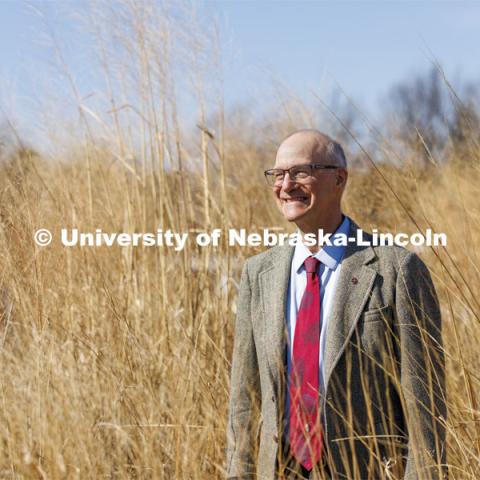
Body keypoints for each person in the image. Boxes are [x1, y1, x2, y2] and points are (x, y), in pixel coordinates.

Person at [225, 130, 447, 480]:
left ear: (339, 178)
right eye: (278, 174)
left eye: (300, 172)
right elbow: (244, 398)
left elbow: (425, 406)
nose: (285, 185)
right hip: (281, 469)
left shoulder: (397, 270)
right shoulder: (258, 273)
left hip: (366, 470)